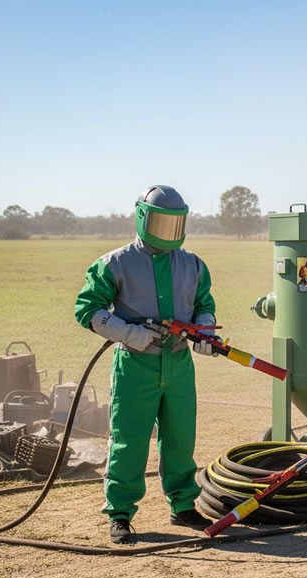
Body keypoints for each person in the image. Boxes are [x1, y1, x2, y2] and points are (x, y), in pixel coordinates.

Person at [75, 185, 218, 544]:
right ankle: (120, 513)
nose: (168, 234)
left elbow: (204, 304)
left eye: (175, 226)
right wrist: (126, 333)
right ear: (142, 218)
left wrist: (203, 331)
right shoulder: (115, 263)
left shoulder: (193, 264)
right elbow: (87, 309)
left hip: (180, 364)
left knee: (180, 439)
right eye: (161, 224)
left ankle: (183, 505)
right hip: (135, 366)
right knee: (129, 440)